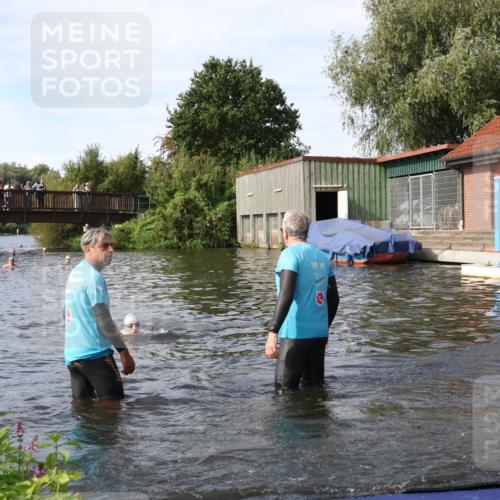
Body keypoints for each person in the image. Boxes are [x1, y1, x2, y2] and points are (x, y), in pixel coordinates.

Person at [265, 211, 340, 390]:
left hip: (295, 335)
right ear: (307, 232)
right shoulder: (323, 257)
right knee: (315, 390)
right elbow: (334, 299)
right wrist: (325, 328)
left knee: (284, 393)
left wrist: (272, 332)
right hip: (319, 335)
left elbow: (286, 293)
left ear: (285, 233)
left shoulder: (289, 255)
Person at [64, 227, 135, 400]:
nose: (111, 250)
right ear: (88, 248)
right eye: (104, 246)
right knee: (114, 408)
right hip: (95, 355)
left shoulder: (75, 273)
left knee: (83, 409)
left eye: (112, 245)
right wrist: (124, 353)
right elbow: (104, 319)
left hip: (73, 356)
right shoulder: (93, 277)